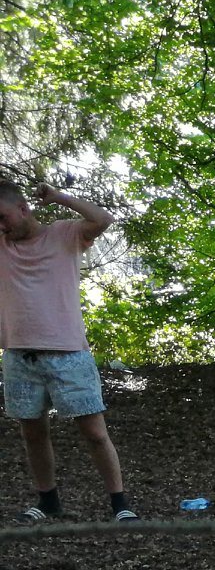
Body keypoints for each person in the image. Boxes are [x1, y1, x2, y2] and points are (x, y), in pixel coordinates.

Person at [0, 181, 136, 523]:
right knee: (32, 432)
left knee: (93, 432)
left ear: (23, 209)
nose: (2, 226)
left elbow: (103, 219)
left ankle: (120, 504)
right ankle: (48, 501)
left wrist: (60, 197)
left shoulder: (64, 235)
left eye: (3, 217)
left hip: (68, 353)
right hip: (19, 355)